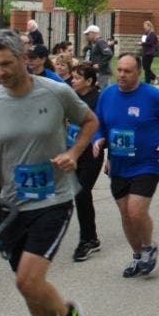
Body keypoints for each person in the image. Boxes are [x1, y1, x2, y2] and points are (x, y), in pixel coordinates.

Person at [0, 31, 97, 316]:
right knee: (28, 291)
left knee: (28, 280)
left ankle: (69, 315)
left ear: (25, 59)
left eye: (7, 63)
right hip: (12, 206)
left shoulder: (56, 92)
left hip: (54, 199)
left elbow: (90, 121)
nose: (1, 72)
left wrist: (74, 153)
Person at [93, 53, 159, 278]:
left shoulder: (152, 95)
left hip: (147, 163)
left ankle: (148, 246)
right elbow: (98, 123)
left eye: (128, 71)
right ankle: (137, 255)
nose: (122, 75)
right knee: (125, 214)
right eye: (120, 70)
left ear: (139, 73)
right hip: (119, 163)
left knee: (136, 211)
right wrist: (98, 138)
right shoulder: (107, 95)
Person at [69, 64, 107, 262]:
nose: (73, 80)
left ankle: (87, 240)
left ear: (89, 81)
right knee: (78, 195)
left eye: (77, 77)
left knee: (82, 193)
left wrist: (105, 149)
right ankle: (91, 237)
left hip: (92, 153)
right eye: (73, 77)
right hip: (73, 152)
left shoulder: (98, 100)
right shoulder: (72, 97)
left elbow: (106, 125)